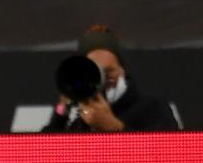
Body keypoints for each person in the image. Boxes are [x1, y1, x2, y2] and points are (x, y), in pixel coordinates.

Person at [43, 25, 179, 132]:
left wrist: (113, 127)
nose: (102, 79)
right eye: (94, 72)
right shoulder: (79, 119)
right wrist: (61, 111)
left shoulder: (153, 109)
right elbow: (39, 158)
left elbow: (169, 159)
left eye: (108, 71)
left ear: (122, 70)